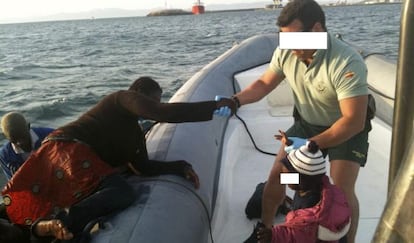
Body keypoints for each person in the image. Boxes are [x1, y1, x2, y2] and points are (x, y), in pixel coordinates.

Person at [2, 76, 236, 242]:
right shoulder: (121, 99)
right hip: (68, 149)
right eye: (153, 100)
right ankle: (62, 220)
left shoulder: (134, 137)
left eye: (157, 101)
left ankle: (40, 228)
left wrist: (180, 167)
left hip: (66, 159)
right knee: (122, 192)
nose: (154, 106)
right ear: (138, 94)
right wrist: (214, 106)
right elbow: (164, 112)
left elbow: (143, 168)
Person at [229, 0, 373, 242]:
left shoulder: (346, 62)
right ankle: (265, 231)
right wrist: (234, 101)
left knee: (341, 188)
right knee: (281, 175)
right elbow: (264, 84)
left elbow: (353, 121)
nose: (289, 46)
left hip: (346, 129)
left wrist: (310, 144)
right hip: (307, 124)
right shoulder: (287, 52)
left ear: (317, 30)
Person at [244, 140, 351, 243]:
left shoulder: (310, 211)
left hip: (307, 235)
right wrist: (291, 144)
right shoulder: (318, 184)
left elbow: (298, 236)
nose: (283, 176)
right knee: (264, 187)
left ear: (300, 181)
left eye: (286, 174)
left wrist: (273, 236)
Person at [0, 112, 54, 180]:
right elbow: (13, 184)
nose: (20, 143)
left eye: (23, 136)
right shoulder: (5, 155)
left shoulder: (50, 136)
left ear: (28, 126)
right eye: (14, 139)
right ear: (7, 137)